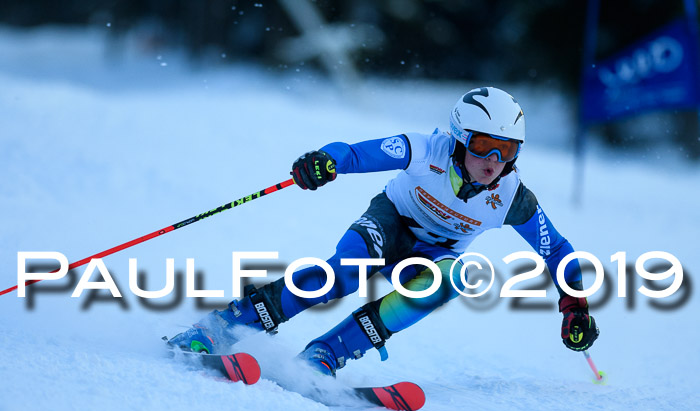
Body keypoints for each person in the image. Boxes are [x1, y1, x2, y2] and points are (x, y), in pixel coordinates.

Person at [168, 87, 599, 375]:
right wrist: (324, 161)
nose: (494, 161)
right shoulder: (425, 149)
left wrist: (574, 303)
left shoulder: (510, 195)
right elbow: (355, 154)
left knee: (450, 281)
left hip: (432, 254)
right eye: (485, 146)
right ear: (460, 138)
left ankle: (325, 355)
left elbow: (556, 249)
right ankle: (220, 327)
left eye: (507, 151)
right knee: (343, 274)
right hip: (390, 221)